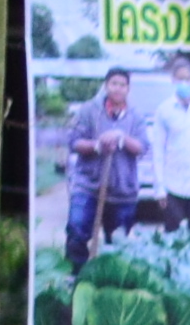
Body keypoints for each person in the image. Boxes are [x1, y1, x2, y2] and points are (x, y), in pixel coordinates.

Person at [58, 69, 146, 267]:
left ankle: (109, 286)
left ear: (128, 89)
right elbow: (74, 142)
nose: (118, 88)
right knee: (77, 231)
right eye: (114, 83)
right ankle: (75, 279)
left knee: (119, 244)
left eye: (122, 85)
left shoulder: (136, 116)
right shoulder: (89, 110)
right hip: (88, 186)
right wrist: (97, 145)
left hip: (123, 190)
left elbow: (142, 147)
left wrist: (121, 138)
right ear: (106, 86)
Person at [141, 59, 190, 232]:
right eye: (180, 79)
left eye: (188, 79)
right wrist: (160, 188)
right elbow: (158, 151)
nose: (184, 83)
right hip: (173, 186)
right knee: (174, 237)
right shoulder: (164, 111)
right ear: (173, 81)